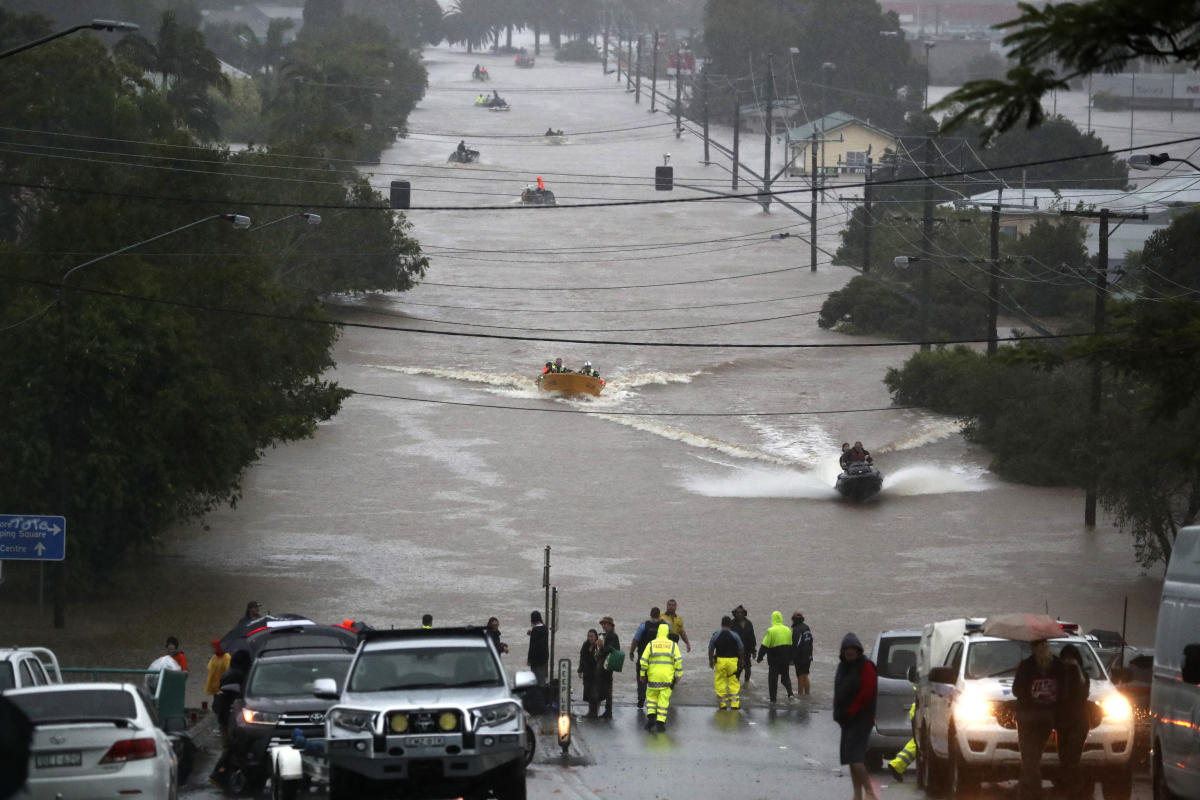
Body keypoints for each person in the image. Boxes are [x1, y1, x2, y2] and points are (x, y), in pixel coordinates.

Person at [1012, 639, 1064, 800]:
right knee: (1034, 755)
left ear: (1033, 647)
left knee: (1029, 757)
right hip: (1047, 718)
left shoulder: (1026, 665)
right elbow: (1064, 690)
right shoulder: (1057, 665)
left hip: (1027, 717)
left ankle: (1033, 792)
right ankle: (1024, 787)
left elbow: (1016, 690)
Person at [834, 633, 880, 800]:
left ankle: (869, 792)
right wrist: (837, 710)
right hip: (846, 719)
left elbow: (867, 692)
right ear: (843, 651)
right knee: (850, 759)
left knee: (855, 758)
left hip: (861, 719)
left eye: (852, 649)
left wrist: (853, 709)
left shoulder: (866, 666)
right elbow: (838, 689)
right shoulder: (843, 666)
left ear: (858, 650)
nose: (850, 652)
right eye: (847, 649)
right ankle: (857, 795)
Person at [1056, 643, 1091, 800]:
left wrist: (1073, 670)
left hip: (1076, 723)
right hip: (1065, 723)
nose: (1068, 661)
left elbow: (1077, 694)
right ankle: (1071, 789)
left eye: (1071, 659)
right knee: (1066, 758)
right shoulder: (1062, 675)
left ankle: (1077, 790)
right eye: (1066, 659)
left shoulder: (1080, 675)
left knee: (1071, 759)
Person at [639, 622, 682, 731]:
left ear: (658, 632)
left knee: (652, 699)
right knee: (663, 700)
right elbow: (678, 661)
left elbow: (643, 661)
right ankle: (660, 723)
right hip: (667, 678)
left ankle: (651, 719)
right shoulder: (673, 645)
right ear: (667, 632)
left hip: (653, 677)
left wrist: (642, 674)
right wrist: (678, 675)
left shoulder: (651, 644)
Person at [631, 607, 665, 709]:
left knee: (641, 678)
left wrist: (631, 652)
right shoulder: (663, 626)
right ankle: (654, 700)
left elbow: (635, 640)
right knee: (655, 680)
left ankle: (641, 699)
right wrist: (663, 621)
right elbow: (671, 630)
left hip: (643, 657)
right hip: (658, 659)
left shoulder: (643, 626)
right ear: (659, 615)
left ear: (650, 614)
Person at [757, 610, 795, 703]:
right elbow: (791, 646)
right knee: (785, 677)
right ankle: (790, 694)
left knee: (773, 680)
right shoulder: (788, 630)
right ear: (781, 618)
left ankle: (773, 700)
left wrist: (759, 657)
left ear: (772, 619)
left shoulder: (771, 631)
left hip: (774, 660)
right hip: (785, 659)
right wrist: (791, 659)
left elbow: (764, 645)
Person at [708, 615, 744, 710]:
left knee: (720, 682)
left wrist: (711, 661)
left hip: (720, 661)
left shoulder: (716, 635)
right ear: (730, 624)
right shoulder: (735, 635)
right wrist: (741, 661)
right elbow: (741, 649)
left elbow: (711, 649)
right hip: (733, 661)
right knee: (733, 682)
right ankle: (735, 704)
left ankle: (723, 704)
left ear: (721, 624)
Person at [887, 697, 917, 782]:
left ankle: (897, 764)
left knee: (917, 742)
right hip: (923, 708)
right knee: (918, 743)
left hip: (920, 708)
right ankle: (897, 765)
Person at [596, 616, 620, 718]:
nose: (603, 626)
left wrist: (602, 646)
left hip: (607, 665)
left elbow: (613, 649)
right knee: (607, 687)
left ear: (610, 625)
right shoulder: (607, 635)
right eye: (602, 624)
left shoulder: (612, 636)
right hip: (607, 665)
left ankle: (608, 711)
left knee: (607, 688)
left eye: (605, 624)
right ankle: (607, 710)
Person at [578, 629, 603, 718]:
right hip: (587, 673)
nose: (590, 638)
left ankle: (596, 712)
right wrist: (580, 670)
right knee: (588, 693)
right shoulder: (585, 645)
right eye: (588, 636)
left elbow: (601, 658)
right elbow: (582, 658)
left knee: (596, 694)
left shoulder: (599, 645)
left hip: (597, 673)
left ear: (596, 636)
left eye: (592, 636)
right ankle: (590, 712)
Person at [730, 605, 757, 684]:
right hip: (735, 652)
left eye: (741, 613)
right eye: (737, 613)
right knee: (737, 672)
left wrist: (754, 650)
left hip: (747, 650)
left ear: (744, 613)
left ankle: (746, 684)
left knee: (748, 669)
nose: (739, 614)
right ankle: (736, 688)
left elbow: (752, 637)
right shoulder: (732, 624)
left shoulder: (749, 623)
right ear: (735, 614)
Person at [792, 611, 813, 695]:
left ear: (794, 619)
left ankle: (800, 695)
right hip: (808, 655)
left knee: (800, 676)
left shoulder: (797, 629)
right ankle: (807, 694)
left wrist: (791, 657)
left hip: (800, 657)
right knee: (805, 675)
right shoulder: (807, 627)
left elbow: (795, 644)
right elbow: (810, 641)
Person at [205, 640, 231, 707]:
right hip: (214, 686)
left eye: (214, 647)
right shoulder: (215, 657)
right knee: (215, 703)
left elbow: (227, 671)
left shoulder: (227, 657)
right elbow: (209, 667)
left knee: (218, 704)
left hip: (222, 686)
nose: (213, 649)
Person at [527, 610, 549, 686]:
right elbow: (541, 641)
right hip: (544, 658)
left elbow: (532, 647)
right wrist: (532, 633)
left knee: (535, 680)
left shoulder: (535, 630)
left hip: (536, 660)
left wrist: (529, 660)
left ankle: (538, 696)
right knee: (542, 679)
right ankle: (542, 695)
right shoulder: (545, 628)